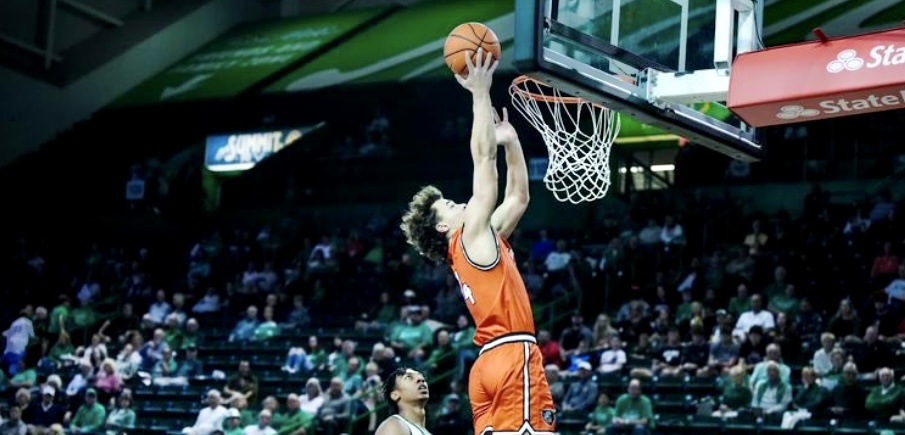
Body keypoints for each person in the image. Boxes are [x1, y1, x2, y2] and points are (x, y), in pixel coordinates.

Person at [400, 48, 555, 435]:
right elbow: (483, 161)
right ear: (442, 227)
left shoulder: (476, 244)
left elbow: (518, 199)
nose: (459, 202)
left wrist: (513, 142)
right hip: (510, 356)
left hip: (486, 367)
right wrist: (480, 92)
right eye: (449, 205)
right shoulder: (469, 232)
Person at [375, 368, 432, 435]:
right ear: (395, 395)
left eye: (422, 377)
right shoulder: (394, 425)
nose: (421, 379)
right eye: (409, 377)